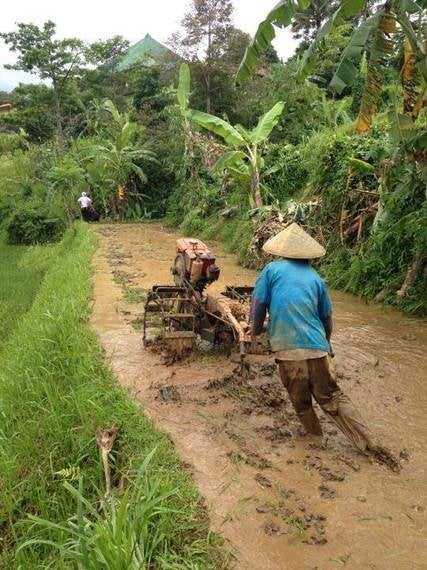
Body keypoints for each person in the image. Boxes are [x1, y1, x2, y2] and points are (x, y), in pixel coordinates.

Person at [250, 222, 374, 453]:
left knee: (302, 402)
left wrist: (254, 332)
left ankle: (315, 439)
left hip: (288, 349)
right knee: (333, 398)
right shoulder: (317, 279)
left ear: (282, 251)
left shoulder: (271, 271)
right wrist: (326, 343)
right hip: (318, 349)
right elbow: (326, 318)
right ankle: (368, 442)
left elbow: (258, 305)